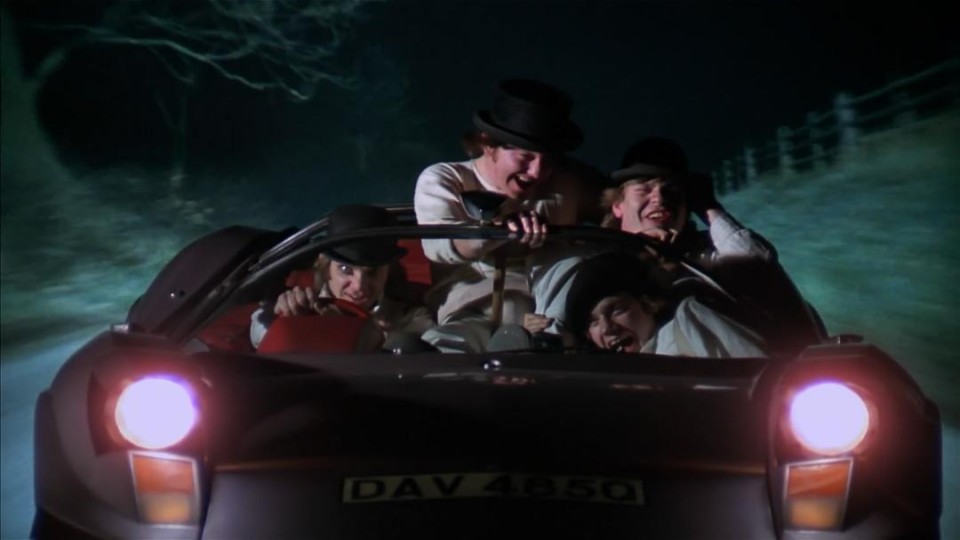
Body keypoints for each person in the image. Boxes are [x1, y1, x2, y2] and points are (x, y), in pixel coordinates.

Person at [414, 79, 603, 352]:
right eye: (525, 157)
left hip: (544, 324)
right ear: (488, 144)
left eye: (548, 161)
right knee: (441, 350)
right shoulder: (446, 179)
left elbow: (618, 206)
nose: (537, 172)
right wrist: (496, 231)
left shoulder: (567, 187)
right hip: (466, 315)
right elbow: (440, 245)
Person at [250, 204, 434, 351]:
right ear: (326, 269)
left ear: (388, 271)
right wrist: (286, 319)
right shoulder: (298, 306)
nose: (359, 286)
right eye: (345, 269)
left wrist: (370, 333)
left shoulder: (411, 318)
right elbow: (259, 334)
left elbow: (429, 348)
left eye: (373, 272)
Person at [602, 136, 775, 268]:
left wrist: (709, 207)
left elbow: (761, 268)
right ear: (617, 206)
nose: (660, 199)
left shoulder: (708, 253)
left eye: (672, 191)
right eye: (644, 189)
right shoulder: (600, 253)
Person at [564, 252, 766, 358]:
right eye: (593, 322)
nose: (607, 328)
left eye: (617, 310)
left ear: (648, 304)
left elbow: (761, 368)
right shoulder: (613, 378)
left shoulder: (690, 319)